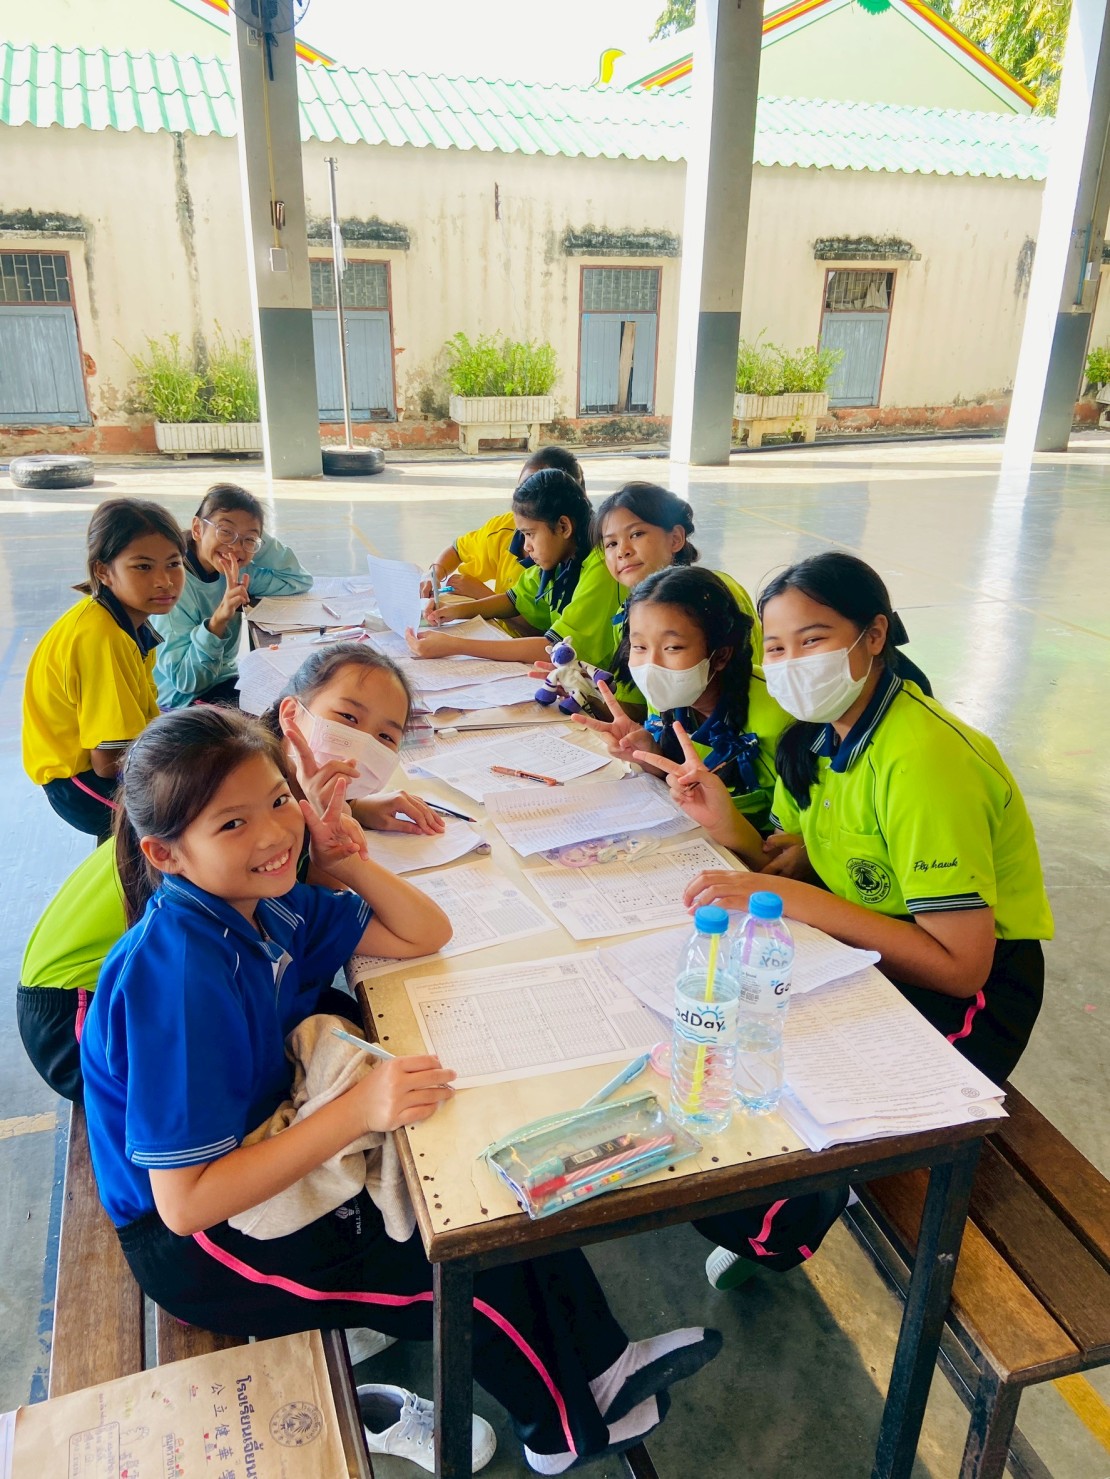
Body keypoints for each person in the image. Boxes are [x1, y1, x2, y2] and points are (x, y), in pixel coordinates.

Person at [79, 708, 721, 1473]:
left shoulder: (263, 905)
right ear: (165, 852)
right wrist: (359, 1108)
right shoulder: (179, 975)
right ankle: (556, 1431)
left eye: (280, 800)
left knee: (496, 1196)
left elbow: (424, 932)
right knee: (460, 1267)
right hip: (203, 1245)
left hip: (268, 1144)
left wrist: (344, 858)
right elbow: (186, 1204)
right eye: (232, 823)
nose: (274, 833)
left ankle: (605, 1365)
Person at [683, 552, 1052, 1088]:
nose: (791, 663)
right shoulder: (813, 736)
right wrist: (724, 821)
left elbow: (960, 969)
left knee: (782, 1081)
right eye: (776, 648)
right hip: (863, 945)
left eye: (813, 640)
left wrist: (798, 900)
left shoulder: (925, 761)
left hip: (969, 1001)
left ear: (874, 635)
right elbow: (782, 864)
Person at [17, 642, 444, 1105]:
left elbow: (337, 917)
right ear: (292, 715)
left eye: (385, 736)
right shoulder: (251, 839)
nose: (361, 743)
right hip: (75, 1004)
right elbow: (323, 917)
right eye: (347, 718)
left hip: (175, 978)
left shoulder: (267, 802)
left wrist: (351, 813)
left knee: (335, 1017)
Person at [573, 567, 788, 862]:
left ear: (721, 655)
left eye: (673, 647)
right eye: (639, 646)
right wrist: (648, 754)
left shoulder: (781, 715)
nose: (651, 665)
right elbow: (682, 783)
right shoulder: (669, 694)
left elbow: (786, 854)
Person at [22, 498, 186, 840]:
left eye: (173, 563)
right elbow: (109, 763)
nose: (164, 581)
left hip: (107, 756)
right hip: (78, 782)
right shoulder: (103, 637)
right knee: (186, 816)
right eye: (143, 567)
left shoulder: (120, 617)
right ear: (103, 571)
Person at [405, 468, 623, 672]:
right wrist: (453, 611)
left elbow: (555, 650)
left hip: (608, 691)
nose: (526, 546)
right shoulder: (564, 558)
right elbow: (513, 600)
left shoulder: (602, 567)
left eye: (530, 534)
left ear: (563, 527)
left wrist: (455, 645)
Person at [152, 483, 311, 709]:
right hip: (181, 703)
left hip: (225, 682)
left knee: (298, 700)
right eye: (226, 532)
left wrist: (252, 538)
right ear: (197, 529)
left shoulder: (237, 571)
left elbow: (298, 579)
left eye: (248, 540)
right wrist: (219, 619)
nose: (235, 548)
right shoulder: (173, 587)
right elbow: (186, 681)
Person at [594, 482, 762, 662]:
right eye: (611, 544)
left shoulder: (715, 591)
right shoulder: (626, 612)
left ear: (675, 538)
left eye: (636, 534)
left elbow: (745, 669)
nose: (622, 551)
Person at [419, 446, 586, 604]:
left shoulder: (576, 562)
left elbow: (534, 622)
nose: (524, 502)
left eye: (536, 496)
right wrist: (433, 575)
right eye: (522, 491)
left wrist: (482, 594)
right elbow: (457, 550)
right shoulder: (505, 528)